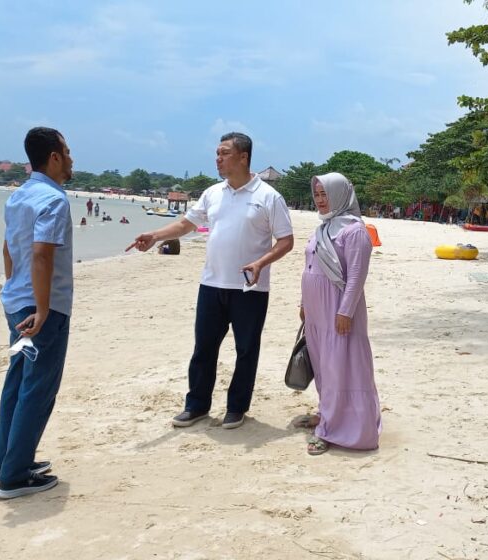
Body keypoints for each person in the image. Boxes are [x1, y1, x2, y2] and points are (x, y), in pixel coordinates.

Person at [127, 132, 294, 429]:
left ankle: (236, 408)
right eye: (217, 153)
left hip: (249, 288)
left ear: (243, 157)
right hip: (211, 284)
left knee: (246, 350)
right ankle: (197, 406)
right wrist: (154, 235)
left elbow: (286, 241)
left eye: (224, 153)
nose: (217, 159)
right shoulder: (212, 193)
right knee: (203, 348)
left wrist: (260, 262)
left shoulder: (269, 196)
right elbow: (185, 224)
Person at [0, 127, 74, 500]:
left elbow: (9, 251)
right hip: (43, 308)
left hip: (16, 302)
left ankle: (7, 462)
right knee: (37, 389)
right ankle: (15, 475)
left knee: (17, 383)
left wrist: (16, 289)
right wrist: (42, 308)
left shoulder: (19, 196)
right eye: (68, 152)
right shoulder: (53, 199)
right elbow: (42, 254)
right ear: (55, 157)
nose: (72, 159)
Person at [297, 173, 381, 455]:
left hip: (338, 309)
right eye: (317, 195)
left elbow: (357, 275)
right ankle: (327, 414)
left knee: (339, 367)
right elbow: (310, 265)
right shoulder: (323, 227)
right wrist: (303, 303)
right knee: (322, 366)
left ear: (340, 195)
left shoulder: (355, 230)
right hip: (316, 311)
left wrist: (346, 311)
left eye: (326, 194)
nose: (321, 200)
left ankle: (335, 429)